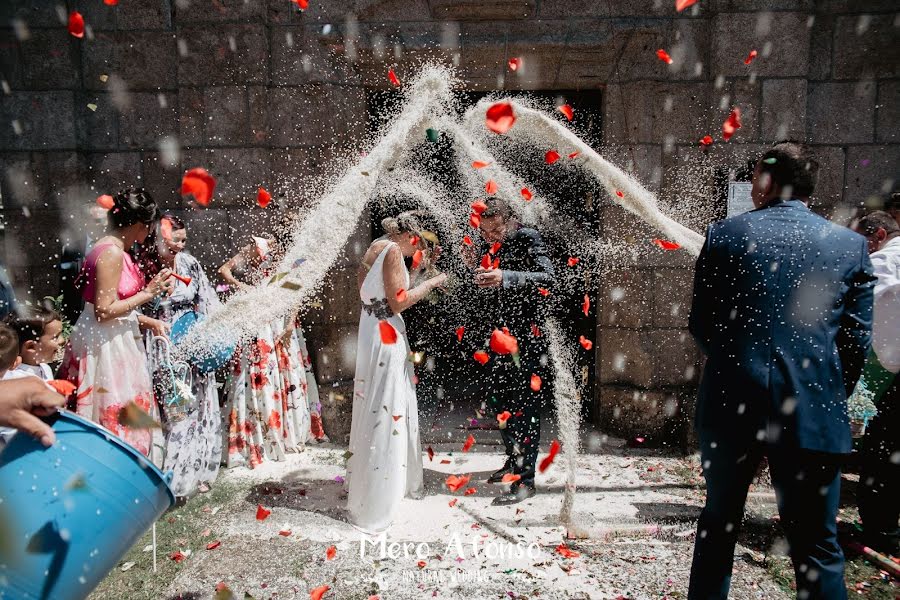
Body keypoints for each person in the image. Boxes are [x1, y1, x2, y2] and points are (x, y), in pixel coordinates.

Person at [687, 142, 875, 599]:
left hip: (733, 404)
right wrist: (826, 393)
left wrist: (739, 366)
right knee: (816, 542)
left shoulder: (725, 235)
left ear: (768, 181)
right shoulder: (849, 245)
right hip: (811, 407)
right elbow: (855, 341)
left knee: (718, 524)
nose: (752, 188)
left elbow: (702, 324)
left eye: (754, 178)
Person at [345, 212, 447, 534]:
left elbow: (374, 290)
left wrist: (416, 269)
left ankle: (373, 479)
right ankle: (380, 493)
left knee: (375, 402)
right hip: (387, 334)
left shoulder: (377, 245)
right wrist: (432, 281)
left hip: (370, 330)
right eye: (417, 242)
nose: (415, 250)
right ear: (410, 235)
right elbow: (398, 302)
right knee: (387, 406)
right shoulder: (391, 252)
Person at [60, 188, 173, 458]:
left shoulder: (111, 247)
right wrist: (148, 293)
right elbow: (103, 310)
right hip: (107, 345)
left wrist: (147, 321)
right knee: (115, 410)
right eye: (149, 227)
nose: (149, 234)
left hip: (110, 335)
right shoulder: (111, 252)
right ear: (138, 225)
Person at [461, 197, 555, 506]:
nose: (490, 237)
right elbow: (485, 281)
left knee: (525, 408)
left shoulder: (528, 236)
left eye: (495, 230)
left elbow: (549, 278)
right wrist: (473, 267)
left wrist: (506, 277)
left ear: (510, 220)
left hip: (527, 336)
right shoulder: (486, 242)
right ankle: (512, 463)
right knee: (499, 401)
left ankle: (526, 481)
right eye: (484, 232)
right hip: (497, 337)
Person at [219, 220, 323, 469]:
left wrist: (290, 324)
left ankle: (285, 435)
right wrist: (247, 290)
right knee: (260, 374)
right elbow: (225, 271)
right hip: (260, 322)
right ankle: (260, 437)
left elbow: (297, 288)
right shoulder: (259, 247)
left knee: (286, 376)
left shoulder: (297, 254)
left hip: (283, 322)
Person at [134, 214, 222, 497]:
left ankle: (197, 471)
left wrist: (214, 336)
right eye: (174, 241)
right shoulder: (144, 267)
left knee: (200, 405)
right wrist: (154, 317)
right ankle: (173, 478)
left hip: (193, 340)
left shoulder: (190, 264)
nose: (179, 247)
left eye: (184, 240)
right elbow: (130, 310)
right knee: (176, 409)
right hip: (162, 344)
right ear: (158, 238)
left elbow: (206, 299)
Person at [851, 211, 899, 556]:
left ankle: (880, 528)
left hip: (894, 369)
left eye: (862, 243)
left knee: (883, 450)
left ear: (878, 234)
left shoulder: (884, 260)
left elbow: (871, 311)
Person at [3, 307, 65, 382]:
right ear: (31, 346)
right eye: (55, 337)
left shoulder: (45, 368)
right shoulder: (14, 380)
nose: (62, 340)